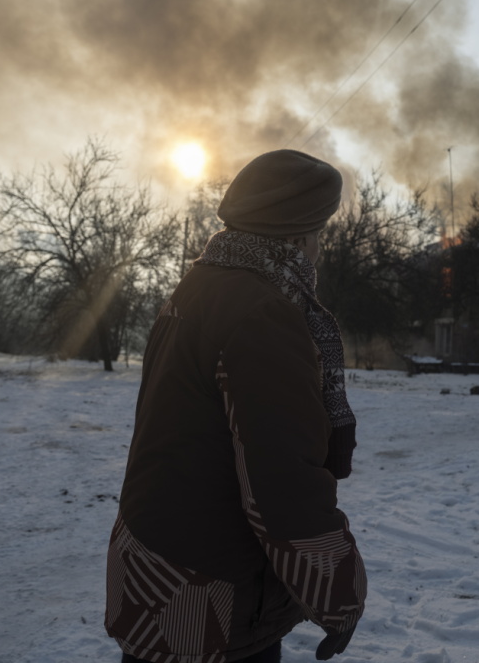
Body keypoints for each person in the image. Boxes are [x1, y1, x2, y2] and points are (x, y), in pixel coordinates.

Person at [105, 149, 366, 663]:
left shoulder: (197, 289)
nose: (318, 249)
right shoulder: (263, 313)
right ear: (296, 236)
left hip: (154, 563)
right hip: (210, 595)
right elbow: (283, 482)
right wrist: (339, 596)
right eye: (318, 233)